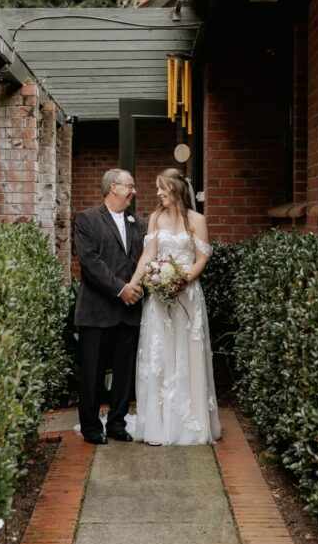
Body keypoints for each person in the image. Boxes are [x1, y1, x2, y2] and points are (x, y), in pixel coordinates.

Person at [129, 168, 221, 445]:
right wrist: (133, 284)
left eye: (162, 188)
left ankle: (190, 423)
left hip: (187, 297)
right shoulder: (156, 218)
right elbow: (148, 256)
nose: (158, 193)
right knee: (160, 354)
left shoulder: (197, 220)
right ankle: (158, 424)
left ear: (176, 190)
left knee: (187, 353)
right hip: (159, 297)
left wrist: (181, 281)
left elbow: (201, 260)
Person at [73, 168, 146, 445]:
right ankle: (91, 428)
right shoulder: (87, 220)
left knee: (124, 373)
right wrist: (120, 289)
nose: (133, 191)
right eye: (130, 186)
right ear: (113, 187)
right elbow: (91, 263)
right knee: (92, 372)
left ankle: (117, 423)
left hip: (130, 311)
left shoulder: (138, 224)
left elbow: (142, 260)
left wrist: (137, 289)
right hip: (97, 311)